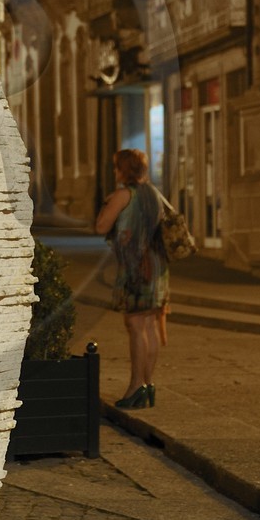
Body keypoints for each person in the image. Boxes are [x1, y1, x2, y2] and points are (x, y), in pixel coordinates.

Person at [94, 147, 168, 409]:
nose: (114, 171)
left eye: (117, 167)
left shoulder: (124, 194)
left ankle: (136, 386)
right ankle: (148, 384)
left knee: (135, 327)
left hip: (136, 268)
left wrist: (109, 202)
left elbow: (101, 225)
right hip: (158, 266)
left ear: (123, 170)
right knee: (149, 325)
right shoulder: (153, 193)